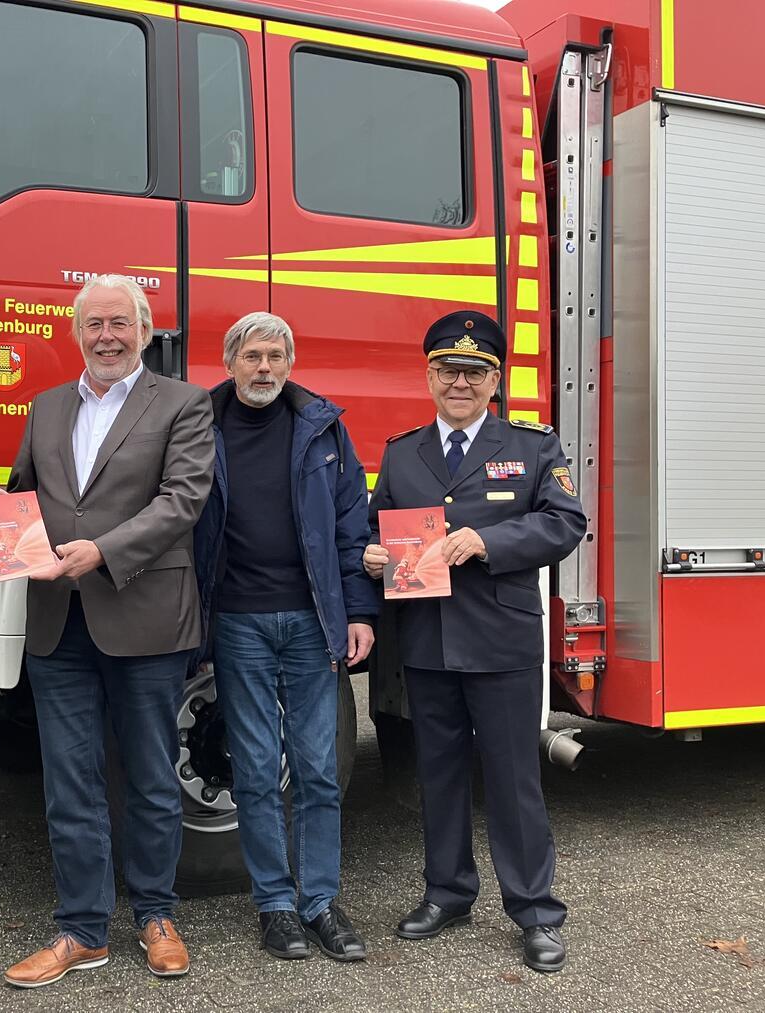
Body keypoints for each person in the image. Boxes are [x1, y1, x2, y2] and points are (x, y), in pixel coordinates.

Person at [2, 274, 214, 989]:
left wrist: (106, 551)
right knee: (70, 781)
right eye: (92, 323)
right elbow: (22, 493)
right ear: (76, 332)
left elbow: (182, 500)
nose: (106, 336)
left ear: (145, 329)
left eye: (119, 322)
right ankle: (82, 929)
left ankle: (156, 913)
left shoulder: (183, 404)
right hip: (59, 620)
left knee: (151, 776)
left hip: (145, 614)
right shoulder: (45, 406)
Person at [362, 310, 587, 974]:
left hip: (501, 641)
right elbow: (377, 527)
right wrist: (373, 556)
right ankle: (449, 891)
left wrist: (489, 539)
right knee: (439, 775)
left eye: (474, 371)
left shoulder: (533, 444)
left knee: (515, 781)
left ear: (495, 378)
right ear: (429, 375)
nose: (459, 382)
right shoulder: (403, 452)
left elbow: (565, 521)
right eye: (446, 370)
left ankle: (537, 911)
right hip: (427, 643)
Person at [192, 312, 379, 963]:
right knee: (254, 770)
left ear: (289, 362)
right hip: (238, 624)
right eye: (252, 356)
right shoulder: (200, 426)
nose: (264, 367)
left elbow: (353, 525)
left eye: (275, 355)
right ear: (231, 362)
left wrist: (359, 611)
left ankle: (321, 901)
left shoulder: (324, 429)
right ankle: (275, 905)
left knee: (318, 768)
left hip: (311, 622)